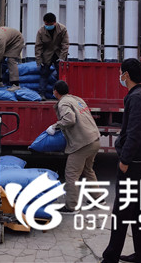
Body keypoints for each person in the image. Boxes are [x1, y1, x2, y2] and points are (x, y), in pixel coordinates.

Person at [101, 58, 141, 263]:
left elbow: (134, 133)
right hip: (139, 162)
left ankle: (110, 257)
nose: (119, 76)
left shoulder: (136, 98)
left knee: (121, 212)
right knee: (137, 210)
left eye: (120, 72)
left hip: (132, 164)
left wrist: (124, 160)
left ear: (126, 75)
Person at [46, 80, 101, 213]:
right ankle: (98, 199)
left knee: (71, 174)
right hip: (94, 139)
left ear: (55, 92)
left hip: (83, 143)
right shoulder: (77, 99)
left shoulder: (63, 103)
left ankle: (71, 206)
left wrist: (55, 126)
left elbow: (70, 119)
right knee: (88, 170)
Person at [35, 13, 69, 100]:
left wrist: (62, 58)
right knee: (44, 74)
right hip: (47, 55)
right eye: (46, 24)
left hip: (59, 54)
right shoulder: (41, 31)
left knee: (61, 75)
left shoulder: (62, 29)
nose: (48, 26)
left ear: (54, 22)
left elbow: (65, 44)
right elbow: (38, 46)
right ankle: (41, 94)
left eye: (50, 24)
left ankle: (62, 95)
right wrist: (39, 60)